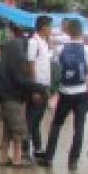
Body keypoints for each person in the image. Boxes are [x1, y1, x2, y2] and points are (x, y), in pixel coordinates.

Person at [37, 19, 88, 170]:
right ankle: (73, 162)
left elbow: (56, 70)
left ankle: (49, 157)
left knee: (56, 125)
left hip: (64, 93)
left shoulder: (61, 49)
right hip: (82, 93)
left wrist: (53, 90)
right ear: (81, 32)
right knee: (79, 128)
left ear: (69, 32)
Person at [0, 26, 35, 168]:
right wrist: (37, 87)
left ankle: (3, 158)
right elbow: (21, 81)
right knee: (18, 133)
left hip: (5, 100)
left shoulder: (2, 66)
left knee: (7, 131)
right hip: (15, 100)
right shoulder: (17, 66)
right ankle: (17, 159)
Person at [25, 15, 54, 158]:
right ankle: (24, 148)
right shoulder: (33, 42)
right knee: (32, 118)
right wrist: (34, 88)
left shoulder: (44, 42)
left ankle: (37, 147)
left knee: (38, 118)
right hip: (37, 86)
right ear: (43, 27)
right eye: (50, 26)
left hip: (44, 85)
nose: (51, 30)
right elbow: (31, 65)